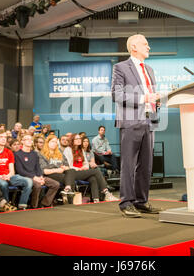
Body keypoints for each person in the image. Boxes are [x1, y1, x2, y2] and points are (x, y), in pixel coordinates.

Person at [111, 34, 161, 218]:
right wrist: (143, 98)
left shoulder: (149, 69)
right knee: (129, 164)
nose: (149, 47)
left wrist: (157, 102)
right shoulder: (121, 67)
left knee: (146, 165)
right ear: (134, 46)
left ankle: (141, 201)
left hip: (149, 121)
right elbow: (116, 95)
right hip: (131, 121)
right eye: (145, 44)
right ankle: (126, 202)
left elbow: (151, 94)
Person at [0, 130, 32, 210]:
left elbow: (12, 171)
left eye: (5, 137)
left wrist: (8, 176)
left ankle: (22, 205)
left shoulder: (9, 152)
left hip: (8, 176)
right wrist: (0, 176)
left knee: (28, 181)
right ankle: (5, 206)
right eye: (1, 137)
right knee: (4, 184)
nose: (3, 139)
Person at [63, 134, 118, 203]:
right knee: (96, 171)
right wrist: (78, 168)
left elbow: (86, 163)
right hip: (73, 173)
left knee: (93, 178)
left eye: (79, 138)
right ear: (72, 141)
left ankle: (96, 199)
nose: (79, 140)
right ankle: (106, 192)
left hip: (82, 171)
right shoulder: (68, 150)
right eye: (76, 139)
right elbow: (68, 165)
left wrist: (84, 167)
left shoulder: (81, 150)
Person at [14, 135, 59, 208]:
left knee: (55, 184)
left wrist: (40, 176)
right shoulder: (17, 154)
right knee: (38, 185)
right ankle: (34, 206)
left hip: (37, 176)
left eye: (31, 140)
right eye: (27, 139)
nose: (29, 141)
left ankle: (45, 203)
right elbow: (20, 171)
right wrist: (34, 178)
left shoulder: (34, 154)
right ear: (22, 141)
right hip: (26, 177)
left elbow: (38, 167)